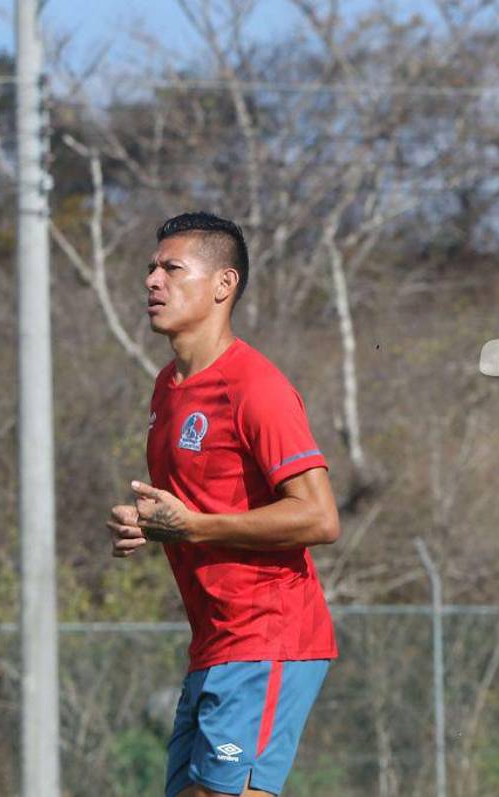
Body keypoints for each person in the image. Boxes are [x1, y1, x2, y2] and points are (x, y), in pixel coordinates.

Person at [107, 212, 340, 797]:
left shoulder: (255, 387)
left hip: (269, 638)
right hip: (214, 642)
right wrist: (150, 524)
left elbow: (319, 516)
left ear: (222, 284)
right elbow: (197, 507)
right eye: (151, 268)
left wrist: (193, 527)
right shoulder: (168, 387)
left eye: (171, 268)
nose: (152, 282)